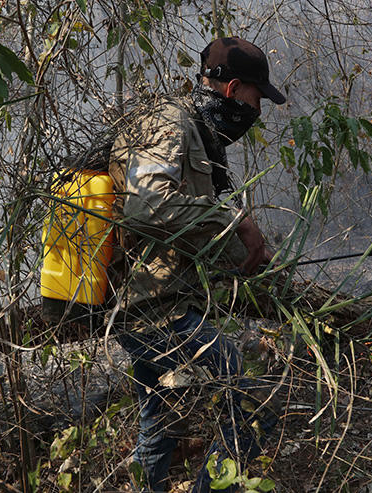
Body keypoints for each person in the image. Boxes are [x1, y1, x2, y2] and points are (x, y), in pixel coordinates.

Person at [108, 37, 286, 492]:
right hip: (157, 309)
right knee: (252, 405)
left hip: (151, 303)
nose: (257, 110)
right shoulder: (170, 123)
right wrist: (234, 221)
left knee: (160, 419)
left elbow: (185, 228)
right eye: (256, 97)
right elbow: (147, 210)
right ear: (232, 90)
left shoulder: (197, 132)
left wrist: (251, 255)